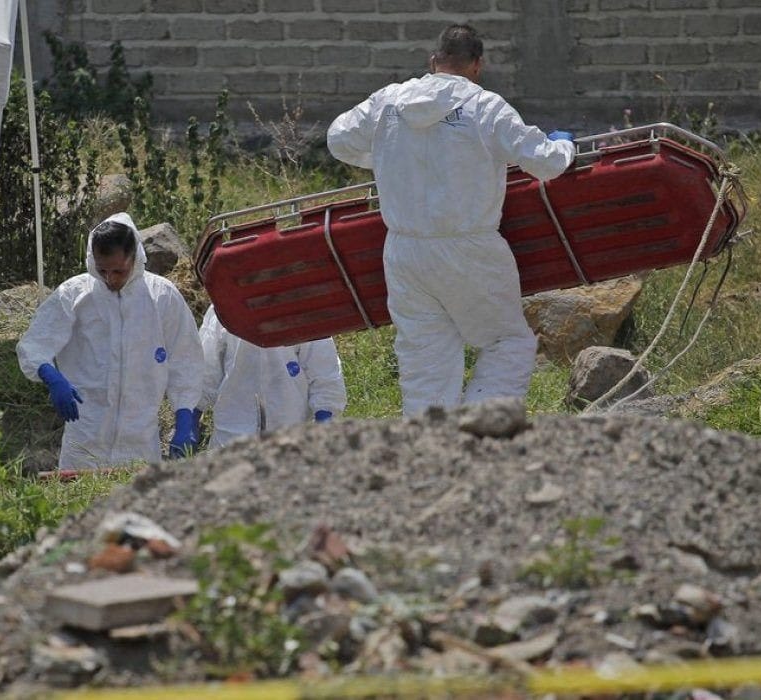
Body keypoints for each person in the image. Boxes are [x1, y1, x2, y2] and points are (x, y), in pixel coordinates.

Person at [326, 24, 575, 417]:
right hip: (470, 248)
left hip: (405, 250)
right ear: (477, 66)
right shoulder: (486, 107)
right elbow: (545, 163)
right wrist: (563, 145)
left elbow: (339, 139)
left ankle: (431, 447)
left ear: (433, 61)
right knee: (507, 342)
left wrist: (386, 155)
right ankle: (478, 428)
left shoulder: (389, 101)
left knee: (425, 363)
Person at [16, 212, 203, 470]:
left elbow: (186, 360)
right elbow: (34, 345)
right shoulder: (74, 294)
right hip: (84, 441)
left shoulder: (162, 297)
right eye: (102, 270)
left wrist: (184, 418)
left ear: (135, 257)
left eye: (119, 271)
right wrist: (51, 375)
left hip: (139, 444)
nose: (110, 279)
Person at [197, 304, 347, 449]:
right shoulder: (225, 309)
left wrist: (324, 419)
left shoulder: (303, 308)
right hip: (231, 437)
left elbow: (324, 373)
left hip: (290, 439)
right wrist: (192, 413)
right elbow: (206, 370)